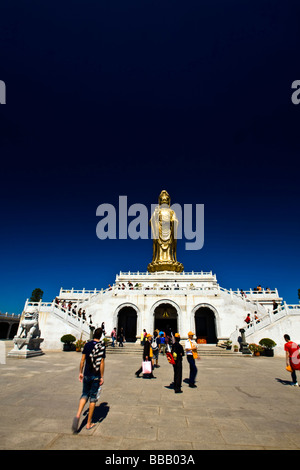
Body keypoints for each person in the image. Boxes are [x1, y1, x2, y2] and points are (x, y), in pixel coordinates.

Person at [72, 327, 105, 432]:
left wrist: (80, 372)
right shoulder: (101, 346)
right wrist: (102, 376)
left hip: (86, 373)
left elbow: (82, 360)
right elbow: (102, 363)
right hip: (96, 375)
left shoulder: (87, 345)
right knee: (93, 398)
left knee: (84, 394)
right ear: (101, 336)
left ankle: (78, 415)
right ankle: (88, 423)